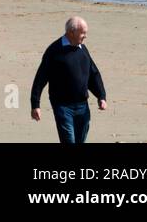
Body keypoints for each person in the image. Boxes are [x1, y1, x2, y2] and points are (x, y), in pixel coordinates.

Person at [31, 16, 107, 144]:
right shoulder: (54, 51)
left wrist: (101, 96)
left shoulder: (82, 49)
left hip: (83, 105)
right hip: (62, 106)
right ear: (71, 32)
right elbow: (40, 78)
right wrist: (35, 104)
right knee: (69, 141)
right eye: (83, 33)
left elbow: (93, 74)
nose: (85, 36)